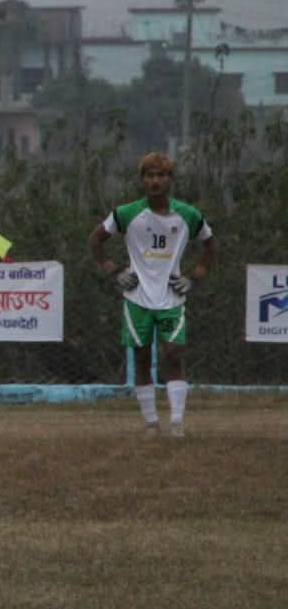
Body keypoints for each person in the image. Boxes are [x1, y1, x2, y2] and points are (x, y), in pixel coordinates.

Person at [89, 151, 217, 438]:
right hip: (137, 298)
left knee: (173, 354)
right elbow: (96, 239)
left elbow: (210, 245)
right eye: (149, 176)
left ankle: (177, 422)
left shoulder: (188, 215)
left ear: (170, 180)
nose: (155, 181)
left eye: (161, 175)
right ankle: (150, 423)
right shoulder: (126, 213)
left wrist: (194, 278)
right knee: (142, 357)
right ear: (142, 180)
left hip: (172, 298)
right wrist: (113, 271)